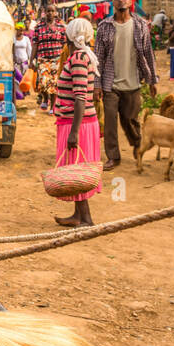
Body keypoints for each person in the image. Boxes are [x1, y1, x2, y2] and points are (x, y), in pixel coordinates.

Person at [93, 0, 158, 171]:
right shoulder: (104, 27)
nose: (121, 0)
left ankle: (138, 144)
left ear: (130, 2)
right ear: (113, 3)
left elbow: (148, 53)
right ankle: (113, 157)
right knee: (111, 123)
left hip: (133, 82)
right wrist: (96, 85)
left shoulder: (140, 25)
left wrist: (152, 80)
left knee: (130, 119)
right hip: (109, 83)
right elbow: (99, 57)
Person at [52, 17, 102, 228]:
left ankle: (86, 219)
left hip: (77, 123)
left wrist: (74, 132)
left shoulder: (79, 59)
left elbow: (80, 97)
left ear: (69, 35)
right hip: (74, 121)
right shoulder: (81, 56)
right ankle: (78, 215)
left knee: (77, 170)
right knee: (75, 169)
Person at [12, 23, 32, 95]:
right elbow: (11, 50)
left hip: (24, 62)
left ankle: (25, 91)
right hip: (16, 62)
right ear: (16, 30)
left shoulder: (26, 39)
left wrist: (31, 60)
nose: (20, 32)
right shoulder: (13, 39)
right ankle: (20, 93)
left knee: (25, 78)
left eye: (22, 31)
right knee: (18, 78)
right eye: (19, 30)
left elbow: (29, 50)